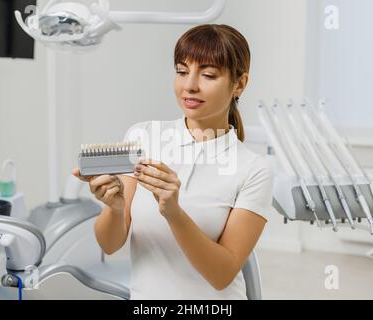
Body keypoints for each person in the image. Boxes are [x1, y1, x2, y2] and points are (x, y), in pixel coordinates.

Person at [73, 24, 274, 299]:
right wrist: (115, 209)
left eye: (208, 75)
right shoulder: (143, 136)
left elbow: (222, 274)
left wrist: (174, 213)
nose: (189, 85)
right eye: (182, 71)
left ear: (239, 84)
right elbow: (109, 245)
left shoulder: (254, 170)